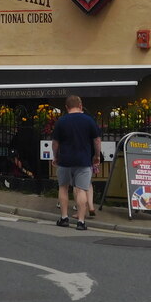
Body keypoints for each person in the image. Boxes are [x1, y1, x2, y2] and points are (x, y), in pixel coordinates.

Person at [51, 95, 101, 230]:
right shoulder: (89, 120)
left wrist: (55, 157)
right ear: (80, 105)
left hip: (65, 160)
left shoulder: (61, 121)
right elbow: (96, 140)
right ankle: (81, 221)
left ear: (66, 107)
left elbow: (55, 143)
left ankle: (64, 218)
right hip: (83, 160)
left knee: (63, 188)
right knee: (82, 190)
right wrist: (96, 156)